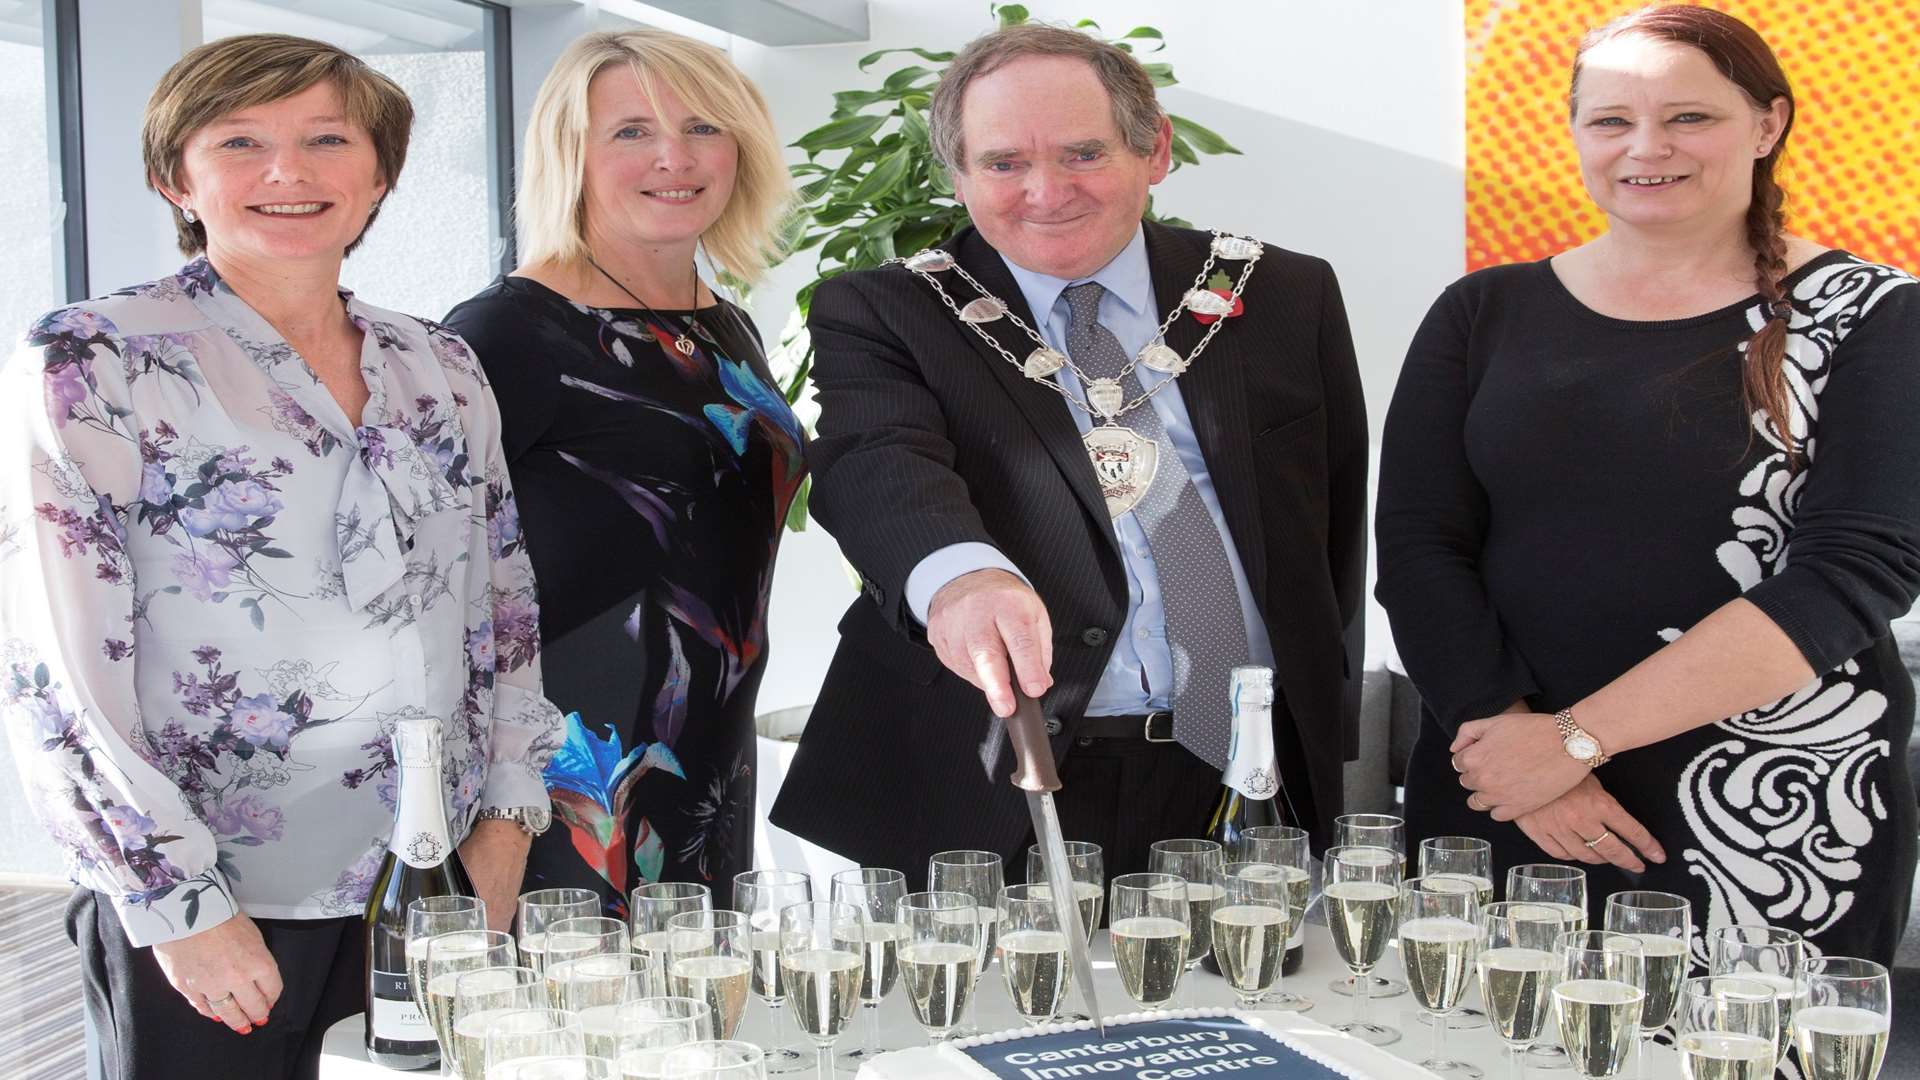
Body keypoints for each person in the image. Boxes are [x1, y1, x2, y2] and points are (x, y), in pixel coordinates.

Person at [0, 34, 563, 1079]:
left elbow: (506, 605)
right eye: (241, 141)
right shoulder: (95, 359)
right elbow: (57, 665)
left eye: (326, 140)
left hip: (430, 885)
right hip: (221, 904)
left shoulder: (440, 362)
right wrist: (176, 906)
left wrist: (507, 823)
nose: (288, 173)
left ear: (380, 172)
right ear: (177, 175)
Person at [1376, 5, 1920, 961]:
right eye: (1611, 121)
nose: (1647, 148)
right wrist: (1516, 744)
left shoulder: (1875, 316)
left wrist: (1574, 743)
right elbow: (1420, 546)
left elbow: (1860, 567)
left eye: (1689, 118)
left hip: (1770, 811)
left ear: (1768, 124)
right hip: (1499, 774)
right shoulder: (1481, 311)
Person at [771, 24, 1367, 884]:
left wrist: (1325, 733)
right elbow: (878, 463)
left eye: (1083, 153)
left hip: (1246, 773)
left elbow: (1332, 522)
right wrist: (962, 578)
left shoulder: (1281, 292)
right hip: (993, 770)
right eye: (1004, 162)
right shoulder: (887, 311)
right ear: (958, 175)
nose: (1046, 192)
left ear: (1154, 150)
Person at [444, 30, 802, 913]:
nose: (674, 158)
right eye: (631, 132)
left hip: (707, 752)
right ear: (571, 153)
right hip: (570, 780)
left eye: (703, 127)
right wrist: (490, 814)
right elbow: (434, 590)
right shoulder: (504, 335)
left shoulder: (727, 325)